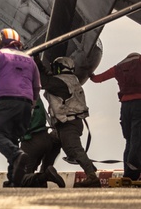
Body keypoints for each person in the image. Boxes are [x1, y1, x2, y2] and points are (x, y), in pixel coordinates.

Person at [0, 28, 40, 187]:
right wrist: (31, 105)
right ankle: (14, 179)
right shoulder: (30, 60)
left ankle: (17, 155)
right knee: (13, 139)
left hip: (5, 101)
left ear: (0, 40)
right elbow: (37, 86)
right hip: (25, 104)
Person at [40, 56, 100, 187]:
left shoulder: (61, 83)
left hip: (69, 124)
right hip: (64, 125)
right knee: (50, 148)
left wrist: (36, 60)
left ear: (60, 69)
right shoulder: (71, 80)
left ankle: (92, 177)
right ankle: (42, 177)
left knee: (74, 150)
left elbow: (43, 81)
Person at [90, 52, 141, 182]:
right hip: (139, 104)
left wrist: (89, 72)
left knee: (129, 140)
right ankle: (134, 163)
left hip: (125, 106)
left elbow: (97, 79)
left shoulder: (118, 67)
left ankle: (129, 174)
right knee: (137, 139)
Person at [17, 98, 64, 188]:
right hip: (45, 137)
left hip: (31, 141)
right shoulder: (34, 92)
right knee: (30, 174)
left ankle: (45, 176)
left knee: (18, 179)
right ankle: (42, 180)